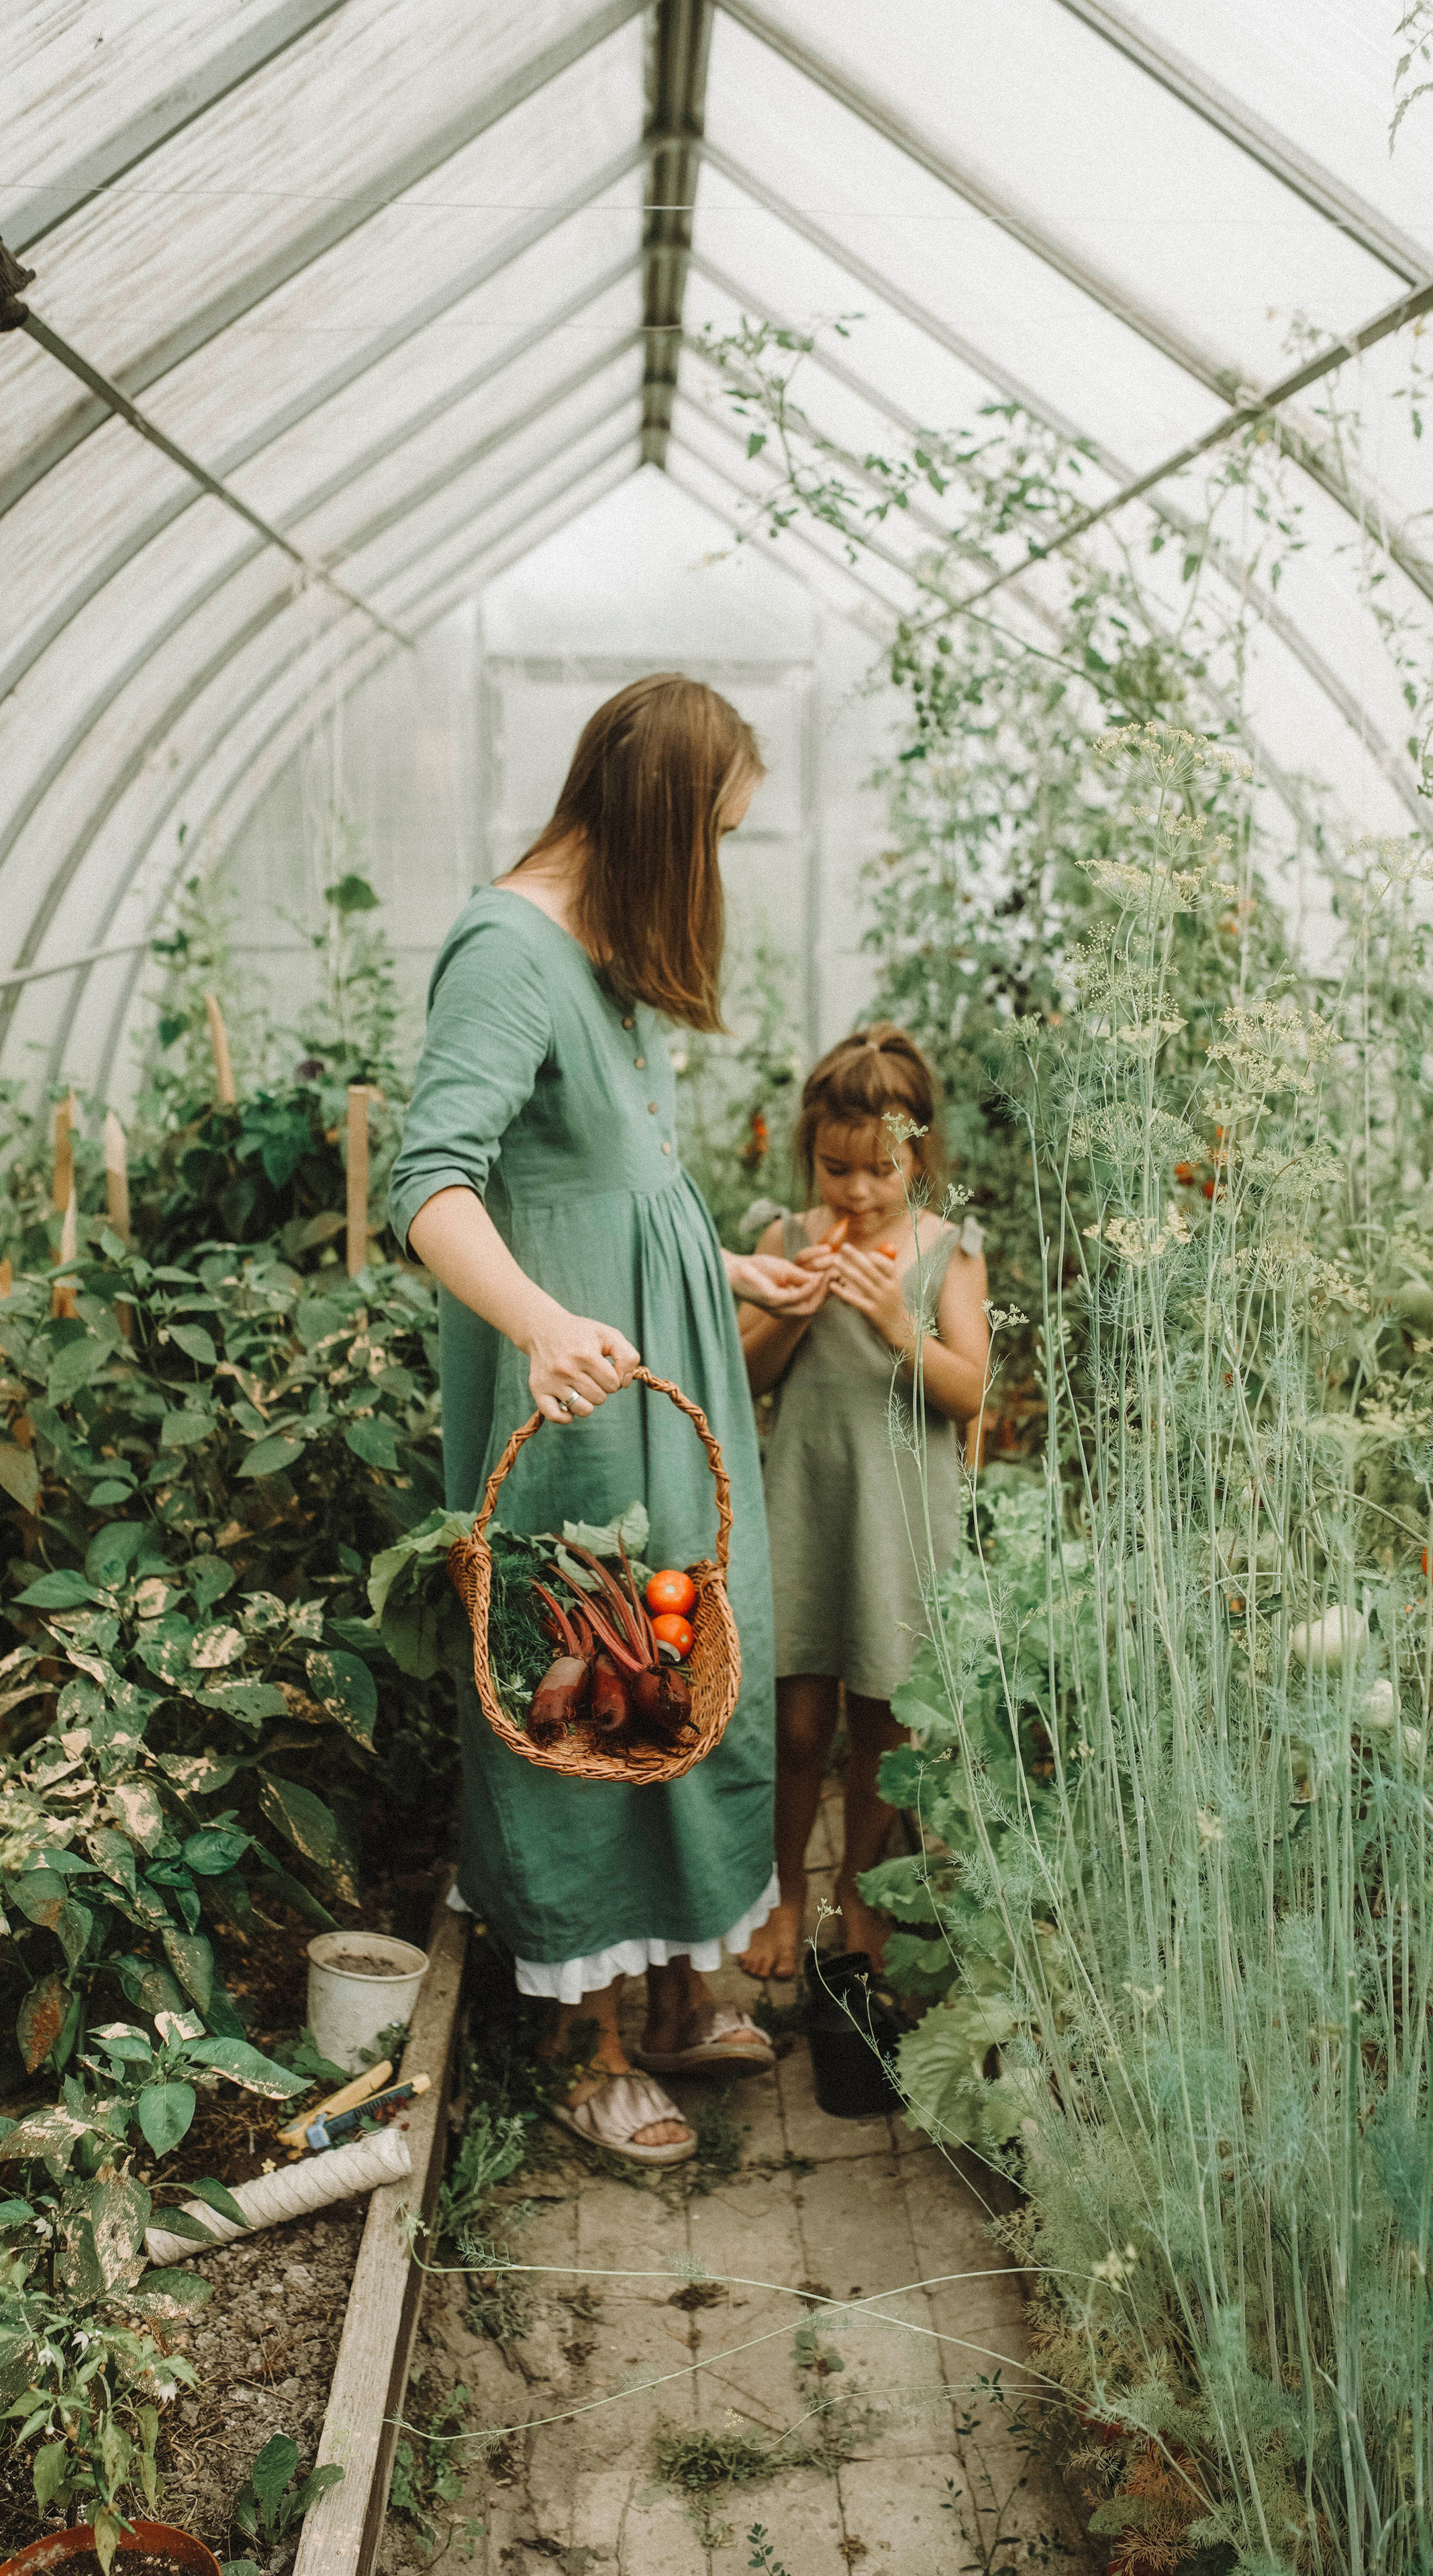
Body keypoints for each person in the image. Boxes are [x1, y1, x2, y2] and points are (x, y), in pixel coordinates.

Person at [389, 675, 824, 2167]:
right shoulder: (507, 951)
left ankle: (672, 1980)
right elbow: (431, 1188)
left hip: (662, 1374)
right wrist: (543, 1326)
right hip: (573, 1401)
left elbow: (608, 1185)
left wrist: (721, 1264)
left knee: (684, 1658)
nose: (714, 865)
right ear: (656, 821)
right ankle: (582, 2040)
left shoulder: (604, 950)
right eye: (711, 831)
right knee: (584, 1686)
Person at [734, 1027, 990, 1981]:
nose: (856, 1193)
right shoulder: (786, 1241)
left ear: (916, 1153)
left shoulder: (944, 1254)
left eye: (879, 1170)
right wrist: (789, 1314)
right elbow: (750, 1377)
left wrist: (894, 1322)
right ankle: (784, 1892)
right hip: (807, 1503)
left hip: (899, 1517)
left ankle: (856, 1898)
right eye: (836, 1170)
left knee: (883, 1724)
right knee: (795, 1722)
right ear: (813, 1153)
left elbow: (968, 1394)